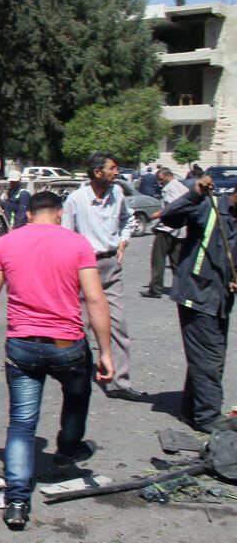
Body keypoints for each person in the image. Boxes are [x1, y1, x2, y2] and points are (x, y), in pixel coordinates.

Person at [0, 191, 115, 530]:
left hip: (22, 345)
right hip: (66, 343)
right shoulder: (77, 243)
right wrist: (106, 351)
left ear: (29, 214)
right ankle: (67, 447)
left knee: (22, 424)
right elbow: (95, 300)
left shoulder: (6, 243)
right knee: (78, 394)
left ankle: (18, 502)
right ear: (59, 213)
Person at [61, 152, 145, 401]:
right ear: (98, 172)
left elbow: (128, 220)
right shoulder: (76, 200)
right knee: (80, 325)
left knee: (117, 324)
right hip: (85, 268)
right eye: (112, 168)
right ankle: (75, 374)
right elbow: (66, 237)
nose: (116, 172)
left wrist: (123, 242)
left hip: (110, 265)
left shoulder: (117, 194)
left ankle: (119, 381)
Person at [161, 176, 237, 433]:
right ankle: (207, 417)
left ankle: (191, 409)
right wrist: (194, 193)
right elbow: (168, 216)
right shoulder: (208, 204)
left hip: (220, 299)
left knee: (207, 355)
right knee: (210, 357)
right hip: (197, 295)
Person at [141, 167, 187, 299]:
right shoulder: (181, 187)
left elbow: (174, 206)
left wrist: (157, 215)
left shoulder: (171, 188)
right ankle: (182, 288)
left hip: (167, 228)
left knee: (158, 260)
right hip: (179, 230)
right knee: (176, 261)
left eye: (161, 179)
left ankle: (156, 289)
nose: (160, 183)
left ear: (168, 175)